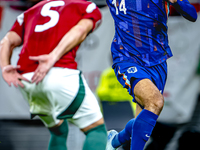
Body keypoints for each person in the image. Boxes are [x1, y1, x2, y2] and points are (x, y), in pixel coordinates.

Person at [0, 0, 107, 150]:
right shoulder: (85, 5)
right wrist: (53, 56)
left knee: (58, 131)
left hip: (28, 80)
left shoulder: (30, 11)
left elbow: (6, 41)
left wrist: (5, 67)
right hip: (59, 73)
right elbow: (81, 30)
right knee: (96, 129)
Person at [105, 0, 197, 150]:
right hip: (127, 58)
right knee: (155, 101)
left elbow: (192, 14)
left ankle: (115, 140)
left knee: (144, 117)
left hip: (157, 61)